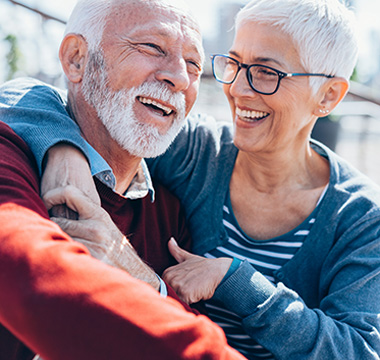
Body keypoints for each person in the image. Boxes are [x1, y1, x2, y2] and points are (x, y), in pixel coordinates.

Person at [2, 0, 380, 359]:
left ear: (329, 96)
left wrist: (238, 281)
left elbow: (360, 352)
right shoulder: (198, 152)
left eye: (267, 72)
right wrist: (62, 147)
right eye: (233, 65)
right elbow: (55, 97)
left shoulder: (361, 219)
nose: (238, 89)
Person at [0, 0, 249, 359]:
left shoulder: (169, 211)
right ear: (76, 59)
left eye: (193, 64)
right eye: (152, 47)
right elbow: (27, 273)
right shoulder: (11, 154)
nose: (179, 78)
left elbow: (178, 319)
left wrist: (142, 277)